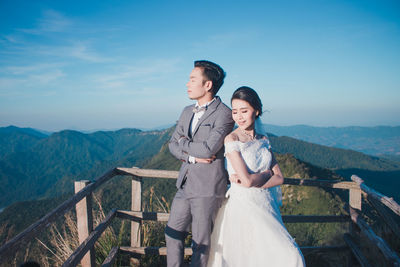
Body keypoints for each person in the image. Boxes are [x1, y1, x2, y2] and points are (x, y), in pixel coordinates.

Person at [207, 86, 305, 267]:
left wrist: (256, 179)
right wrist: (267, 174)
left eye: (244, 111)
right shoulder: (232, 139)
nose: (239, 116)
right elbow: (247, 180)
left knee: (284, 256)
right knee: (248, 257)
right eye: (235, 111)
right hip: (244, 206)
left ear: (256, 111)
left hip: (267, 205)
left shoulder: (264, 140)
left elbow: (280, 178)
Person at [166, 60, 235, 267]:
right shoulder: (187, 110)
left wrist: (184, 143)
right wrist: (191, 157)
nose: (187, 84)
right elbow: (171, 144)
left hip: (208, 187)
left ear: (208, 85)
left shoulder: (224, 113)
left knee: (201, 244)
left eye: (192, 79)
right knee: (172, 233)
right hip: (185, 183)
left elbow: (208, 149)